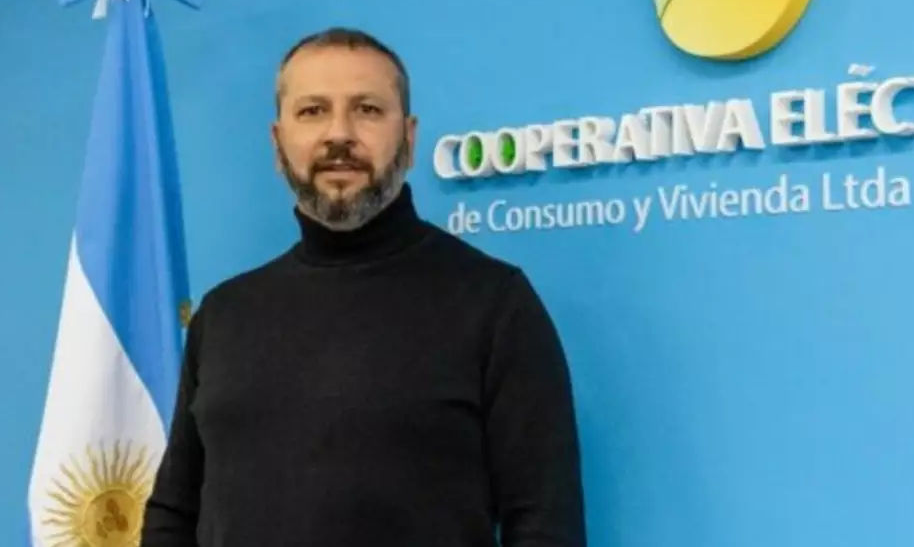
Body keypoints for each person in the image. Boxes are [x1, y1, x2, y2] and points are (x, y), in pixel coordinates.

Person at [140, 27, 587, 547]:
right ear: (277, 142)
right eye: (312, 111)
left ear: (410, 138)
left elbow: (545, 525)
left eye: (368, 110)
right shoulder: (222, 315)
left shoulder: (495, 304)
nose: (339, 134)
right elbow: (174, 512)